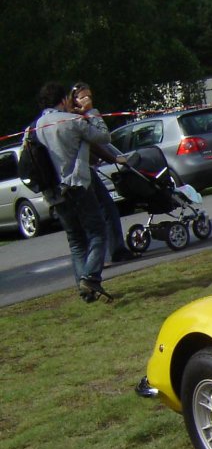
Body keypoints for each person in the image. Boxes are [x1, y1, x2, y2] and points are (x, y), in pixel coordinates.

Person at [33, 82, 116, 302]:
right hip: (77, 185)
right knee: (97, 232)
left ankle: (86, 292)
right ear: (63, 100)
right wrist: (90, 111)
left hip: (53, 192)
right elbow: (104, 137)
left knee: (76, 240)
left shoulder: (35, 127)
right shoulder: (72, 121)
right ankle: (90, 277)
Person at [72, 82, 132, 264]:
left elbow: (96, 144)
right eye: (83, 97)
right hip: (82, 173)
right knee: (103, 211)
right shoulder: (76, 119)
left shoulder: (80, 119)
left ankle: (96, 259)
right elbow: (102, 137)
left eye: (90, 96)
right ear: (73, 100)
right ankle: (107, 255)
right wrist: (91, 112)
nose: (88, 100)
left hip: (85, 172)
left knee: (100, 212)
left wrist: (113, 158)